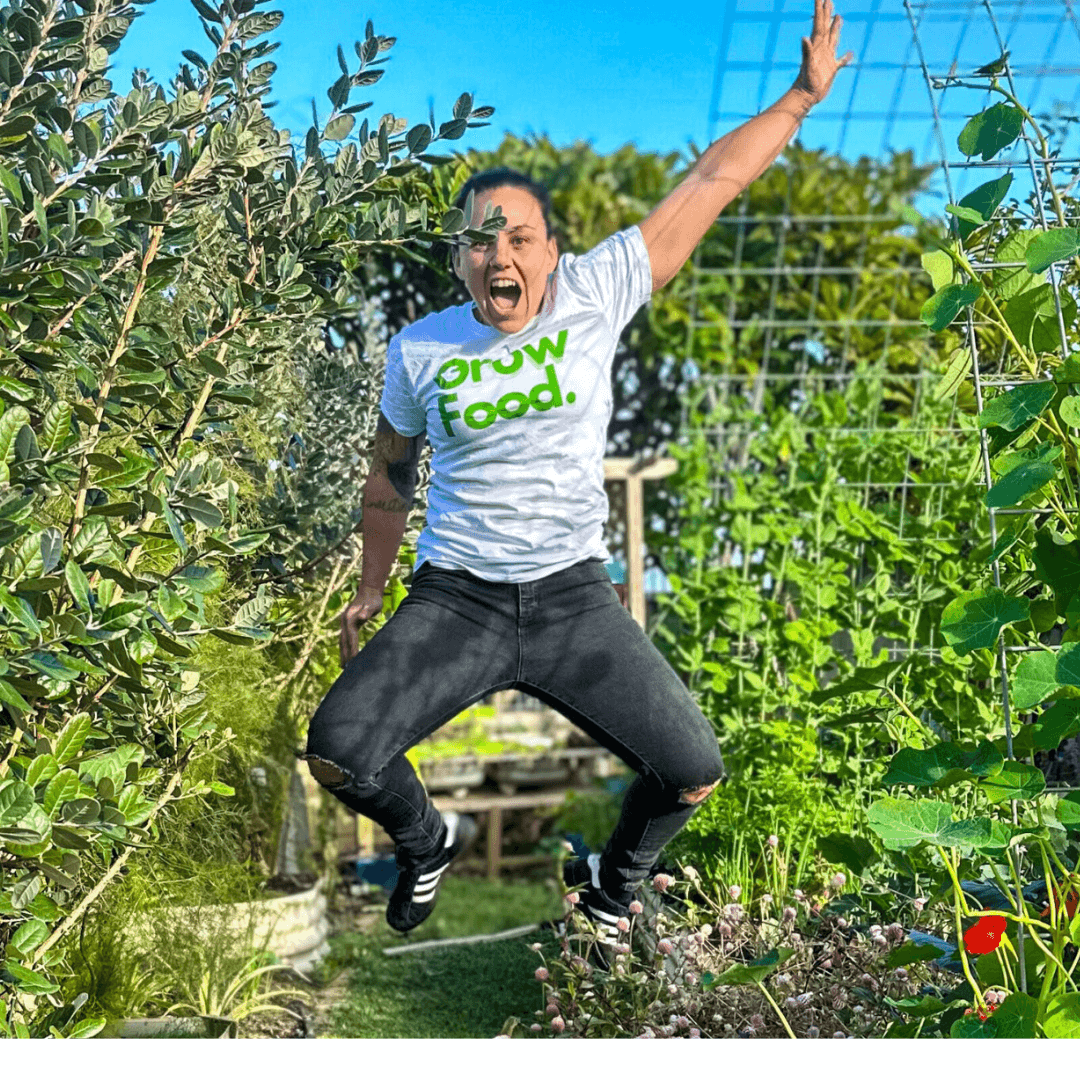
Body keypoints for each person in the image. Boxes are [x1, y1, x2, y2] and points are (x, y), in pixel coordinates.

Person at [304, 0, 853, 957]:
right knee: (341, 749)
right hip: (457, 600)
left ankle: (615, 887)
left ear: (552, 251)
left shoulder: (597, 293)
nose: (500, 255)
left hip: (571, 601)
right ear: (462, 258)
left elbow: (712, 180)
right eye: (481, 240)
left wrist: (801, 99)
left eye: (519, 237)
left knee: (691, 768)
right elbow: (388, 478)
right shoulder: (420, 348)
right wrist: (368, 588)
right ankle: (426, 841)